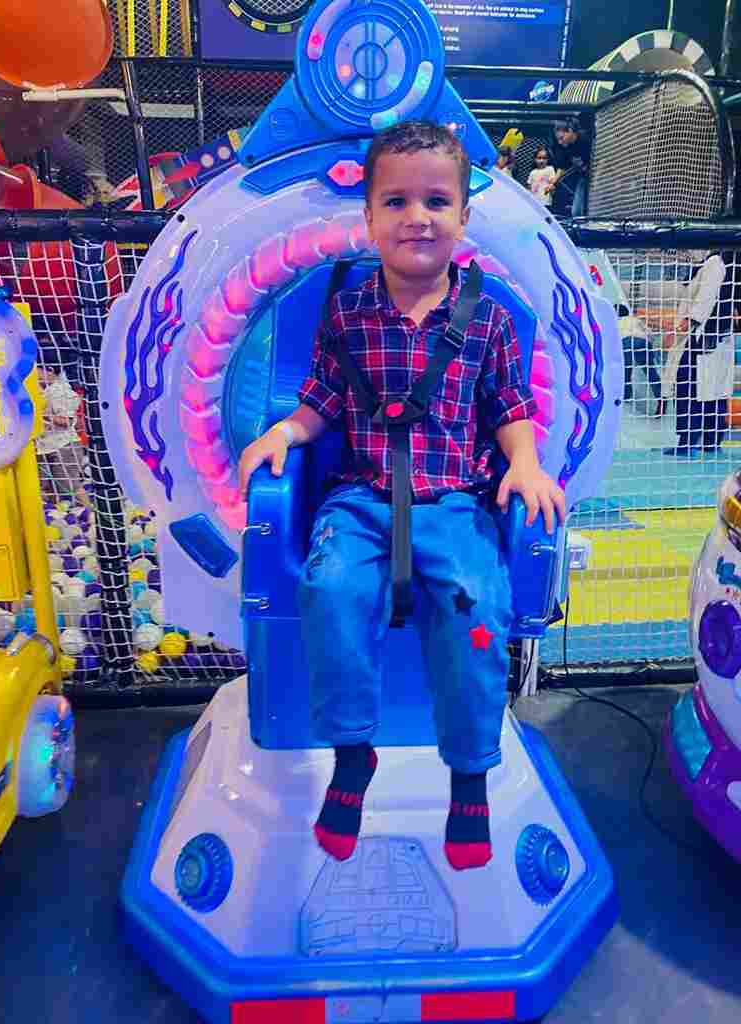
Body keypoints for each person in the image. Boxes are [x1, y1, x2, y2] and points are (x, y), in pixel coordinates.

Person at [238, 121, 565, 872]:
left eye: (436, 201)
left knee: (477, 611)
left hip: (453, 503)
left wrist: (525, 463)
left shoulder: (487, 318)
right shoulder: (348, 311)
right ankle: (353, 753)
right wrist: (285, 432)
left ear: (463, 217)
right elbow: (320, 398)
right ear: (369, 217)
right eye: (396, 201)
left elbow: (510, 406)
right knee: (329, 589)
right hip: (361, 500)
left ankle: (470, 776)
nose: (417, 217)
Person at [645, 250, 736, 455]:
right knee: (713, 393)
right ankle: (710, 443)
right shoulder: (719, 264)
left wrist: (678, 330)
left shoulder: (714, 263)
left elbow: (704, 300)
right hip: (713, 340)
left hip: (700, 339)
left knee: (690, 390)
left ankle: (688, 443)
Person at [35, 362, 89, 505]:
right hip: (46, 445)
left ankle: (91, 511)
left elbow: (66, 421)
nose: (34, 375)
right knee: (49, 488)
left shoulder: (60, 391)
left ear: (50, 370)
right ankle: (57, 512)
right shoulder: (44, 390)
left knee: (69, 485)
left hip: (63, 446)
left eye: (37, 370)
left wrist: (40, 415)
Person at [617, 304, 665, 414]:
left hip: (627, 342)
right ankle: (661, 398)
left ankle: (626, 397)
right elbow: (650, 334)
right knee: (650, 371)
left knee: (626, 371)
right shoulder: (636, 320)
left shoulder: (615, 322)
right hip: (643, 342)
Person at [547, 117, 591, 217]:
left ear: (570, 131)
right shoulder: (564, 147)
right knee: (576, 211)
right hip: (583, 178)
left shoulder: (586, 140)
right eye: (558, 139)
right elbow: (562, 167)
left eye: (561, 138)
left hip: (595, 176)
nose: (560, 142)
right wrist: (553, 183)